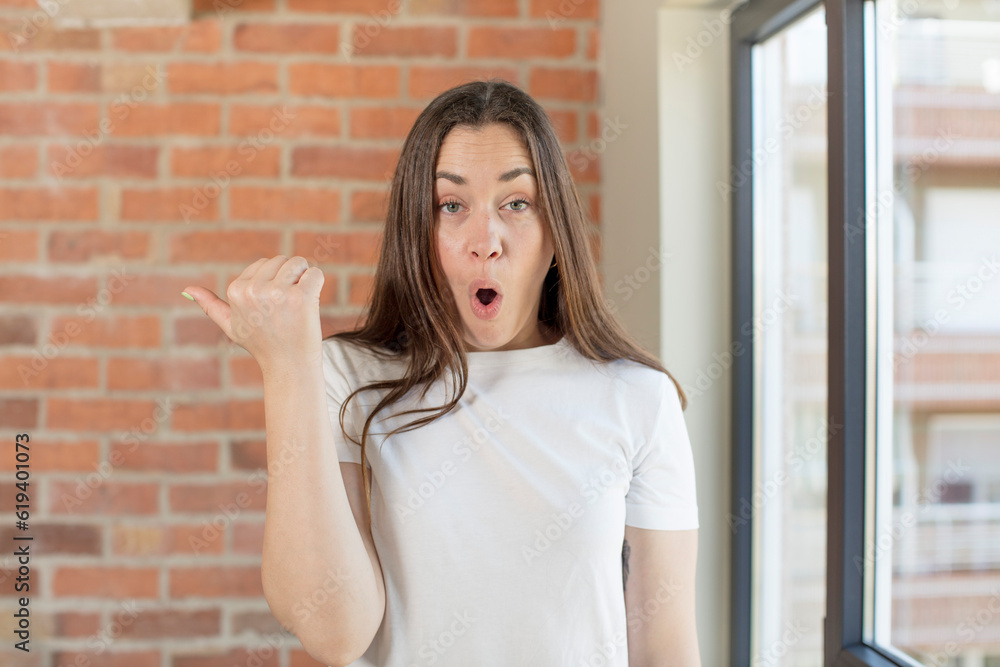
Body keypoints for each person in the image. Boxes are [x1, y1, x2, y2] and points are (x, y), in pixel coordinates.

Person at [182, 79, 700, 667]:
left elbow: (665, 648)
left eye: (517, 203)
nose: (486, 241)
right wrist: (285, 368)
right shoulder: (346, 376)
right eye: (451, 206)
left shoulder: (638, 397)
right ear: (418, 236)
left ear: (555, 235)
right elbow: (333, 632)